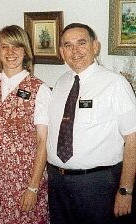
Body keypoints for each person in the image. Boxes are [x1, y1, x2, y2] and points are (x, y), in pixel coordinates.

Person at [47, 23, 136, 224]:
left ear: (95, 46)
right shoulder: (60, 83)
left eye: (81, 43)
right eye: (68, 45)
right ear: (61, 52)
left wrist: (125, 190)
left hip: (97, 185)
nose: (75, 51)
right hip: (57, 184)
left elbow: (133, 138)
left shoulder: (115, 84)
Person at [0, 25, 51, 223]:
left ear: (25, 51)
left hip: (23, 179)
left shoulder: (39, 89)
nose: (10, 52)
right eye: (4, 47)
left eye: (16, 47)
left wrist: (33, 187)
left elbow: (43, 141)